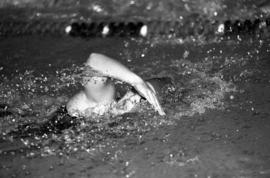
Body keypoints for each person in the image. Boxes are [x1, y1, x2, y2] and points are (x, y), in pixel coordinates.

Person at [66, 53, 166, 118]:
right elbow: (93, 60)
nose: (134, 101)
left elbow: (168, 82)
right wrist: (137, 81)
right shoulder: (98, 105)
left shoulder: (122, 109)